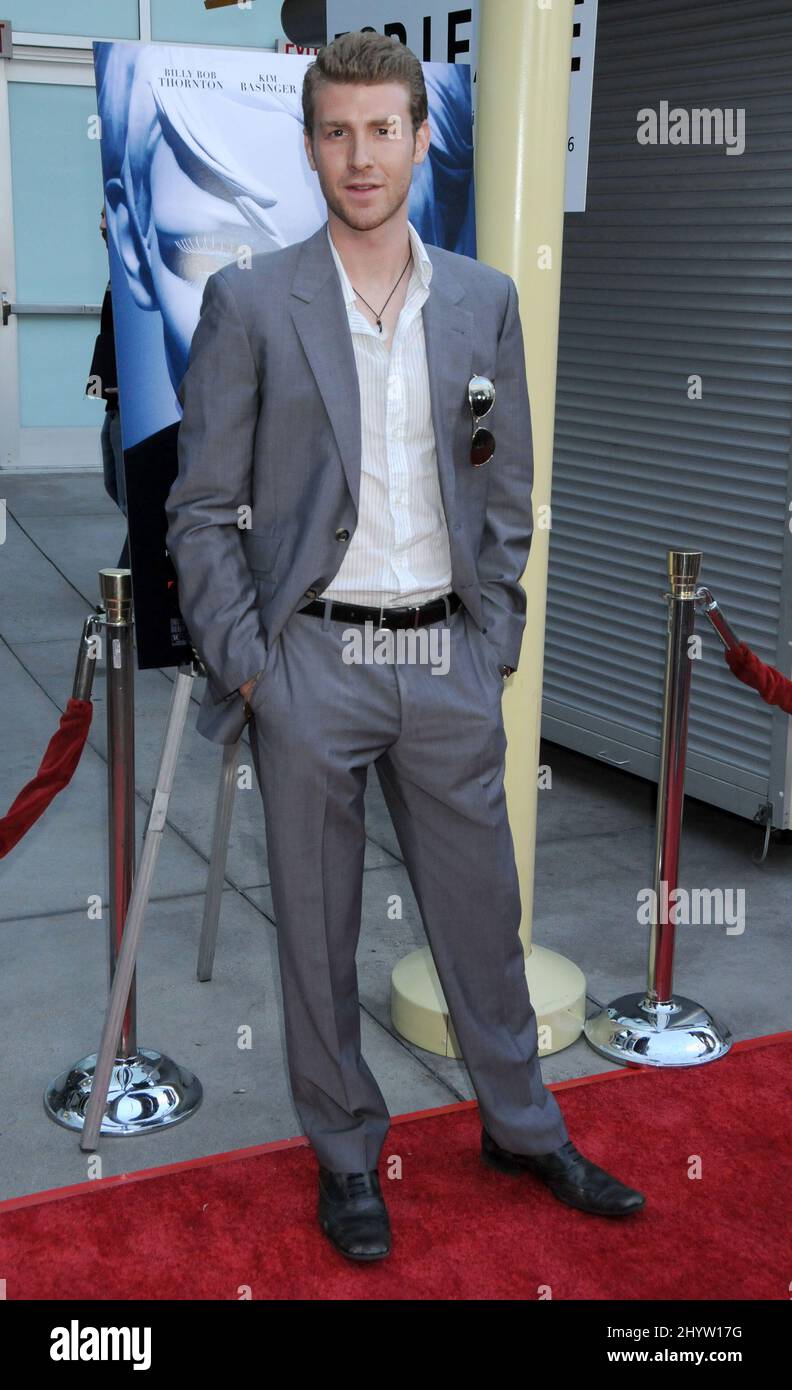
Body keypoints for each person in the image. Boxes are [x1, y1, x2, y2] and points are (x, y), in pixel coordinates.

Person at [164, 30, 646, 1263]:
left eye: (385, 128)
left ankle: (523, 1126)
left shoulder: (482, 302)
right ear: (312, 142)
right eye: (337, 131)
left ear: (422, 139)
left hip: (446, 661)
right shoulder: (252, 300)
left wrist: (492, 638)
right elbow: (202, 506)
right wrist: (250, 666)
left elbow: (507, 488)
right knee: (316, 935)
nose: (361, 154)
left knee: (483, 915)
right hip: (309, 665)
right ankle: (345, 1157)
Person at [87, 205, 129, 568]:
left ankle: (129, 588)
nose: (101, 224)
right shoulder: (117, 268)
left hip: (132, 405)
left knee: (137, 502)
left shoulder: (136, 270)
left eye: (106, 216)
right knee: (115, 488)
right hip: (113, 399)